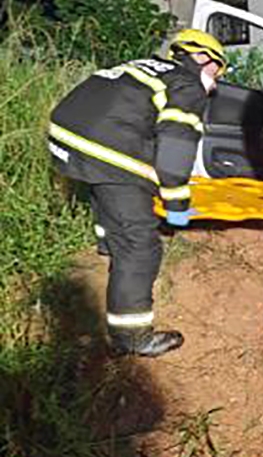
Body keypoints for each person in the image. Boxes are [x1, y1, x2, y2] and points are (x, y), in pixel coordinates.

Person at [48, 29, 227, 357]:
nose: (215, 84)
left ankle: (108, 242)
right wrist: (176, 201)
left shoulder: (145, 66)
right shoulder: (187, 85)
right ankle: (131, 337)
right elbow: (176, 145)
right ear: (201, 58)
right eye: (217, 72)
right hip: (101, 145)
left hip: (65, 135)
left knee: (111, 187)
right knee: (141, 246)